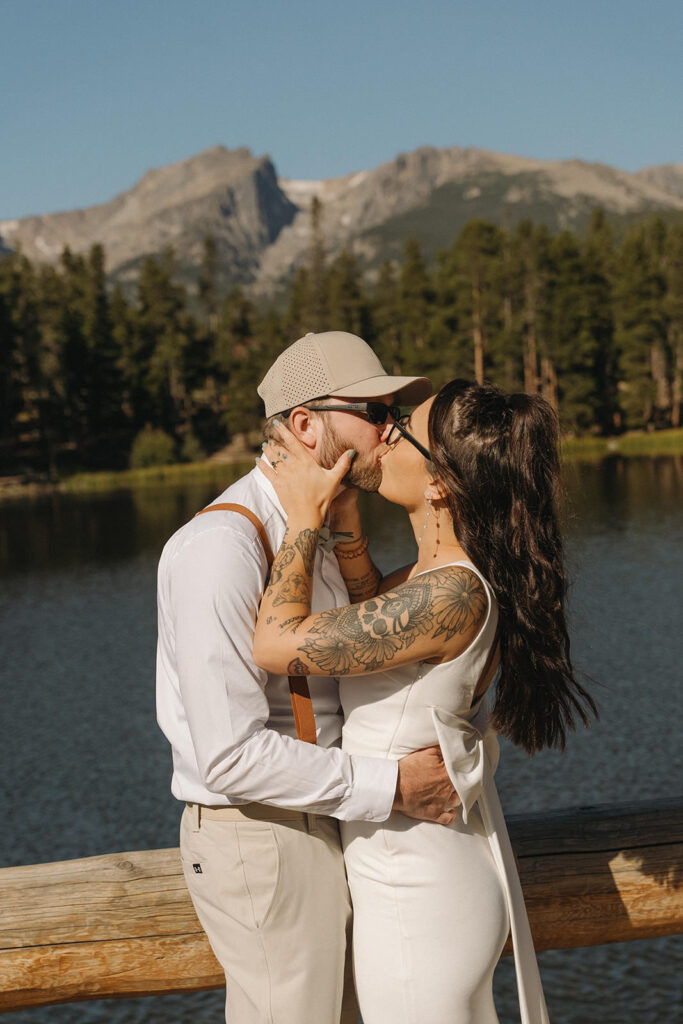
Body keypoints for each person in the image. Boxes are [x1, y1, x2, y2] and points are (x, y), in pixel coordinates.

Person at [253, 378, 597, 1024]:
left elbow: (276, 643)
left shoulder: (449, 596)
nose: (380, 432)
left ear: (439, 482)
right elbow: (369, 621)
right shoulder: (437, 580)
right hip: (419, 877)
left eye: (398, 425)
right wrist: (346, 528)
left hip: (419, 895)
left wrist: (302, 518)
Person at [156, 331, 463, 1024]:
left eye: (392, 413)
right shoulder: (222, 547)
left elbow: (359, 661)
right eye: (375, 411)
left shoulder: (315, 524)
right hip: (258, 831)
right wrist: (394, 787)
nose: (390, 429)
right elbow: (229, 755)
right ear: (305, 423)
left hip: (319, 811)